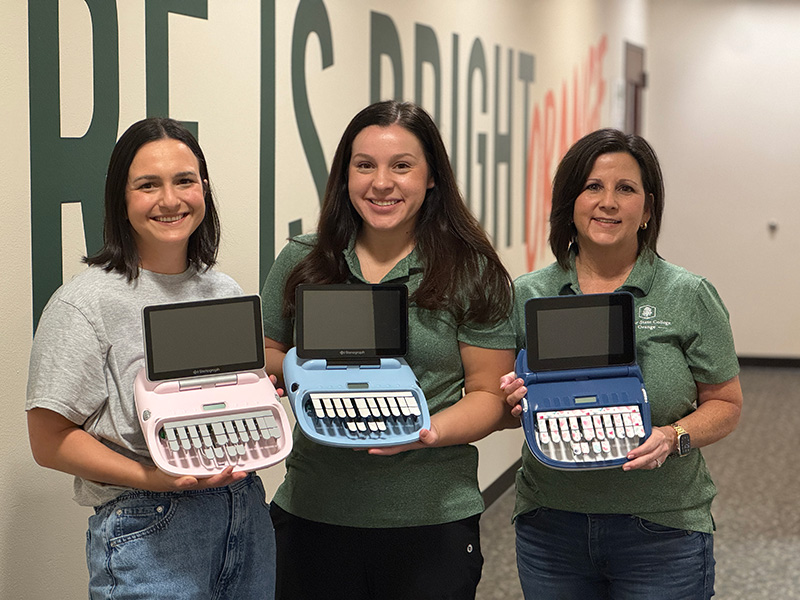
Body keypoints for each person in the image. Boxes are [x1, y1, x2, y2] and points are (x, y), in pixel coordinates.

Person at [260, 100, 517, 600]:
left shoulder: (473, 271)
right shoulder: (304, 260)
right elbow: (271, 353)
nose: (382, 183)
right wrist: (304, 372)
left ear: (432, 177)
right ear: (345, 175)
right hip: (314, 511)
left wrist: (424, 433)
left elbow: (488, 394)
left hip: (431, 518)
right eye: (365, 165)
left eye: (402, 165)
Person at [26, 117, 276, 600]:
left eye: (185, 180)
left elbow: (220, 397)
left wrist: (257, 397)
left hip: (244, 515)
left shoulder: (221, 291)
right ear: (121, 198)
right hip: (148, 525)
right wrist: (155, 479)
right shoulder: (85, 304)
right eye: (148, 185)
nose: (170, 200)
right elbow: (48, 440)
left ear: (203, 187)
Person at [501, 128, 743, 600]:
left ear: (647, 210)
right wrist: (511, 402)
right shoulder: (528, 294)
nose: (607, 202)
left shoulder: (689, 294)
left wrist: (674, 437)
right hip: (551, 525)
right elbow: (505, 402)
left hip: (662, 528)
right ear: (569, 200)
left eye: (625, 189)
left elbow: (727, 404)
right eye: (592, 186)